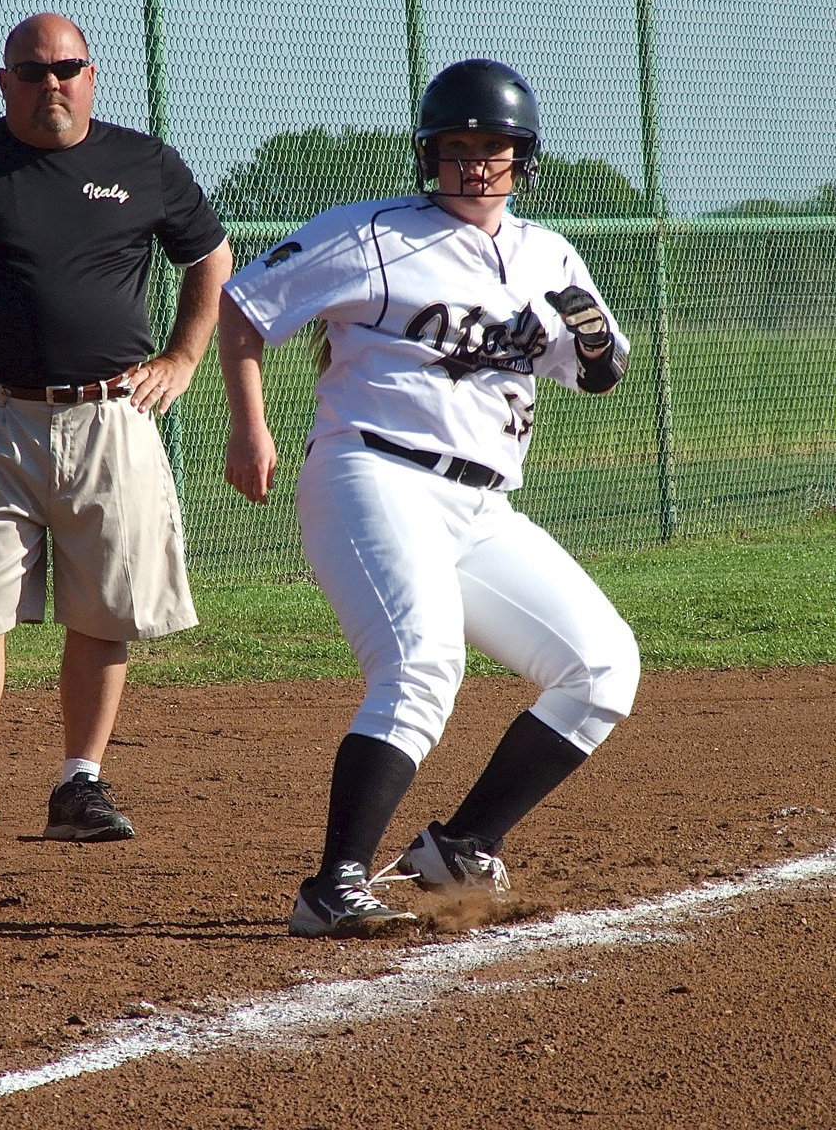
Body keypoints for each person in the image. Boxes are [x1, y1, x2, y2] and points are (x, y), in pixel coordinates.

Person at [217, 58, 641, 938]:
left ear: (525, 159)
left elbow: (596, 377)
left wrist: (597, 344)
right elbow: (246, 307)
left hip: (483, 504)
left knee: (602, 666)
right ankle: (331, 886)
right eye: (456, 146)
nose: (475, 163)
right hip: (373, 472)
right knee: (419, 665)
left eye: (494, 147)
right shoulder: (371, 233)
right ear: (428, 155)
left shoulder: (549, 255)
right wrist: (248, 427)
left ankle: (463, 842)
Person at [0, 13, 232, 849]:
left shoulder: (142, 162)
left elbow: (209, 255)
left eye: (67, 67)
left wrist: (185, 358)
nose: (53, 82)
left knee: (103, 606)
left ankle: (79, 784)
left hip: (113, 414)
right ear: (4, 79)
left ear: (92, 73)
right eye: (33, 70)